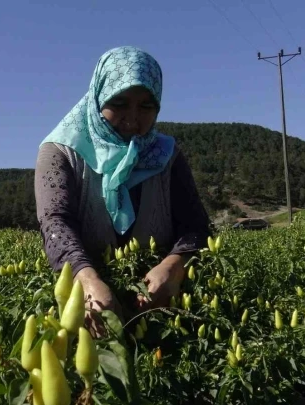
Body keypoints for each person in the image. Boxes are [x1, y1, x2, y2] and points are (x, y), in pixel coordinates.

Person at [34, 46, 212, 335]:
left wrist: (173, 267)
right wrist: (87, 281)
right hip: (87, 304)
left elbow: (196, 227)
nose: (132, 118)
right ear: (98, 98)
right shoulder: (60, 152)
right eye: (119, 103)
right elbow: (56, 224)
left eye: (146, 106)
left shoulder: (167, 155)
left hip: (162, 309)